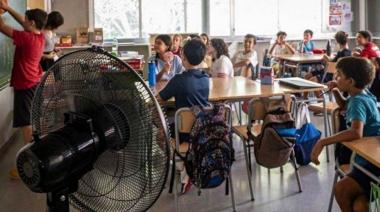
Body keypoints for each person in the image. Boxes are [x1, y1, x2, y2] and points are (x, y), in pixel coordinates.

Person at [311, 57, 380, 212]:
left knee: (341, 190)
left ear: (350, 81)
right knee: (359, 203)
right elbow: (345, 106)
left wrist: (323, 142)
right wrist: (336, 90)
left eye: (339, 75)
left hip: (370, 164)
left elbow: (356, 132)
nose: (336, 78)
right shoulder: (362, 94)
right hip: (369, 159)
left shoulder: (358, 102)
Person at [0, 2, 47, 179]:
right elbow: (24, 23)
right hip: (32, 83)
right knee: (29, 124)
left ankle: (28, 167)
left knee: (26, 126)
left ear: (32, 23)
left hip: (25, 86)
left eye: (26, 20)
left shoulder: (26, 38)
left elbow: (2, 26)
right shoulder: (39, 36)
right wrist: (9, 8)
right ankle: (33, 161)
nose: (23, 22)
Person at [158, 39, 209, 194]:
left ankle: (183, 167)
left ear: (183, 57)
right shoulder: (206, 78)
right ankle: (187, 165)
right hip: (201, 130)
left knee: (159, 136)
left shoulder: (179, 80)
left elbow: (160, 98)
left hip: (183, 132)